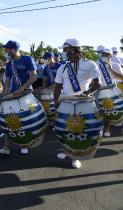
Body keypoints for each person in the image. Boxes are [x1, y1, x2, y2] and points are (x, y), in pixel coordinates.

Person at [54, 38, 101, 169]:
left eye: (65, 49)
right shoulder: (62, 68)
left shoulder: (89, 64)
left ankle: (76, 157)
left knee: (80, 131)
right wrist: (56, 102)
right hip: (66, 102)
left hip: (84, 103)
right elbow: (57, 87)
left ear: (73, 49)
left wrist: (87, 93)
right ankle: (68, 151)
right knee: (65, 130)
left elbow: (98, 83)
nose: (63, 52)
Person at [0, 40, 37, 156]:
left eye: (7, 49)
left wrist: (22, 88)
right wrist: (2, 98)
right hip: (13, 94)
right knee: (10, 119)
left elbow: (34, 77)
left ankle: (25, 144)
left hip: (27, 94)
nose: (5, 51)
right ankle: (6, 147)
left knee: (27, 119)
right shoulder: (9, 64)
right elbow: (7, 83)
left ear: (13, 49)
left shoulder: (27, 59)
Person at [96, 48, 123, 137]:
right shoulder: (96, 64)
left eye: (107, 54)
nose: (104, 56)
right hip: (101, 91)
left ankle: (109, 128)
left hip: (113, 90)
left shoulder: (115, 64)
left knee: (117, 110)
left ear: (110, 55)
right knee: (104, 111)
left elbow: (121, 77)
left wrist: (111, 69)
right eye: (103, 54)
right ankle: (105, 129)